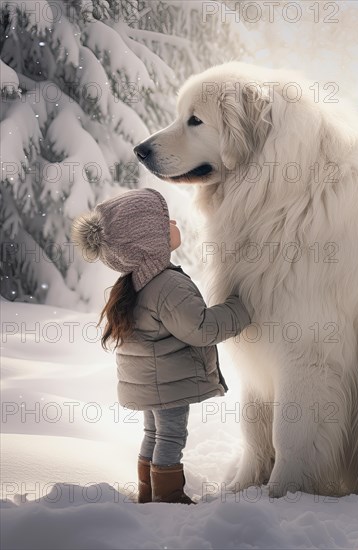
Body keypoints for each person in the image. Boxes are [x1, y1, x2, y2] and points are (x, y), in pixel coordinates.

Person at [71, 187, 251, 504]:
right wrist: (241, 308)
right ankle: (168, 497)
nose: (175, 222)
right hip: (167, 385)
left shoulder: (133, 283)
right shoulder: (166, 284)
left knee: (154, 434)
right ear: (149, 239)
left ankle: (148, 491)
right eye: (166, 221)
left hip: (152, 384)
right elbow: (201, 328)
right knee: (170, 435)